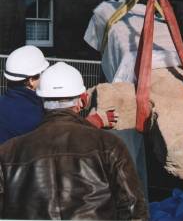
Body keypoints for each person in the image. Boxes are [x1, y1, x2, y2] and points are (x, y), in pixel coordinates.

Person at [0, 62, 148, 219]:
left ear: (41, 101)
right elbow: (133, 209)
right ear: (82, 100)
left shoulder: (8, 151)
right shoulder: (110, 145)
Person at [0, 45, 116, 144]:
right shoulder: (34, 115)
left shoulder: (5, 103)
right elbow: (64, 143)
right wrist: (93, 122)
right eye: (43, 73)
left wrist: (71, 104)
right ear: (31, 80)